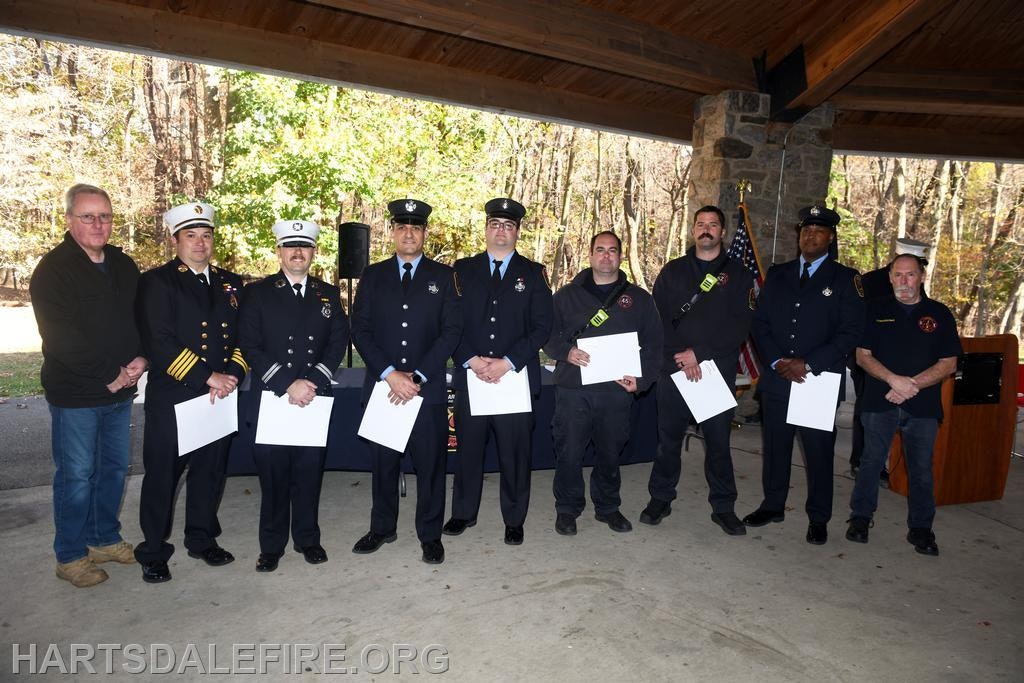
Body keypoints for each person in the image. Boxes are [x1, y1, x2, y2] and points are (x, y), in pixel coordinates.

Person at [30, 183, 147, 587]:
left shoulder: (122, 264)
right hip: (77, 395)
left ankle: (102, 539)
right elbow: (60, 337)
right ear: (69, 220)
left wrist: (142, 358)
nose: (99, 224)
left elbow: (141, 320)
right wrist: (108, 373)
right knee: (77, 476)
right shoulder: (53, 271)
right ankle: (70, 556)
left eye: (105, 216)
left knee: (115, 469)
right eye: (88, 216)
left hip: (121, 390)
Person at [133, 202, 248, 583]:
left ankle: (201, 539)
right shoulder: (156, 282)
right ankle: (152, 550)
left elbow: (242, 337)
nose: (200, 243)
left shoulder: (231, 282)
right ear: (175, 239)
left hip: (219, 397)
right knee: (163, 476)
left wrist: (231, 375)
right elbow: (159, 342)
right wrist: (207, 376)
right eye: (191, 235)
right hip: (175, 397)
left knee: (210, 472)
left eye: (206, 234)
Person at [743, 205, 864, 545]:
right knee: (776, 448)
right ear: (799, 235)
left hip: (818, 380)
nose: (811, 235)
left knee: (818, 453)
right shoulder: (778, 274)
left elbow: (850, 332)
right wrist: (775, 360)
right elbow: (760, 322)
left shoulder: (845, 279)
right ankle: (773, 505)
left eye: (819, 230)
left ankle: (819, 517)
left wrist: (808, 363)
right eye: (806, 229)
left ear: (831, 236)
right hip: (778, 376)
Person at [350, 199, 462, 564]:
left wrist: (416, 376)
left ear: (424, 234)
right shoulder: (373, 275)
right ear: (393, 233)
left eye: (415, 228)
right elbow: (361, 330)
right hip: (384, 389)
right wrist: (389, 374)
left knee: (431, 466)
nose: (409, 233)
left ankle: (430, 535)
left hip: (424, 391)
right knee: (383, 463)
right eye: (402, 227)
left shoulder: (444, 277)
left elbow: (451, 332)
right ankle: (382, 527)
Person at [238, 219, 348, 572]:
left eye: (305, 247)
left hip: (313, 398)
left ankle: (307, 539)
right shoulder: (257, 292)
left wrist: (312, 381)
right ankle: (271, 546)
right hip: (275, 397)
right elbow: (250, 345)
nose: (297, 253)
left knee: (308, 475)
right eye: (290, 246)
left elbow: (337, 343)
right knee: (272, 478)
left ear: (314, 252)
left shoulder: (327, 294)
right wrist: (288, 383)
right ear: (279, 251)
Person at [638, 206, 756, 536]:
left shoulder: (739, 275)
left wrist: (698, 355)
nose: (706, 229)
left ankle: (724, 507)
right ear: (693, 231)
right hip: (673, 370)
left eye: (713, 225)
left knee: (718, 444)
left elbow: (740, 326)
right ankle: (660, 498)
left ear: (722, 232)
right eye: (701, 224)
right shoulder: (673, 271)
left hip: (713, 372)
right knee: (667, 442)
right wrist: (681, 356)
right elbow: (655, 319)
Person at [443, 198, 553, 546]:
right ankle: (463, 512)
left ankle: (514, 518)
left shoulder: (533, 273)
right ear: (486, 229)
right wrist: (470, 359)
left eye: (508, 225)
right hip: (472, 375)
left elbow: (541, 326)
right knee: (468, 452)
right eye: (495, 224)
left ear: (517, 232)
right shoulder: (461, 269)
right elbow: (448, 323)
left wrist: (507, 362)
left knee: (515, 454)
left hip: (514, 379)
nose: (501, 230)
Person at [543, 231, 662, 535]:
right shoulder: (566, 296)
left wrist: (643, 380)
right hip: (574, 390)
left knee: (610, 451)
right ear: (590, 255)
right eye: (600, 250)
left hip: (616, 392)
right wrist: (566, 351)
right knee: (569, 451)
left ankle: (608, 507)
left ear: (620, 256)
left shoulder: (638, 299)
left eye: (612, 250)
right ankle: (567, 509)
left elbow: (654, 344)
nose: (606, 256)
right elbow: (546, 334)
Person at [846, 254, 960, 555]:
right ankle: (860, 518)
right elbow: (862, 355)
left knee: (921, 468)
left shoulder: (939, 313)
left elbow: (949, 363)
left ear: (921, 276)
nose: (904, 281)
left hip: (922, 407)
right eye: (898, 275)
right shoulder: (874, 310)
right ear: (890, 278)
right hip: (879, 400)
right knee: (870, 463)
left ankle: (921, 530)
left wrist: (911, 386)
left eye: (910, 275)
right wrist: (894, 380)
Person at [849, 237, 931, 481]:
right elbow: (856, 321)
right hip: (870, 358)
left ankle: (889, 461)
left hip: (902, 362)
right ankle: (862, 462)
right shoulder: (869, 282)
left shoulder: (914, 281)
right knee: (869, 408)